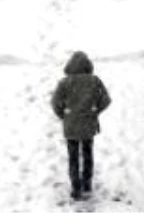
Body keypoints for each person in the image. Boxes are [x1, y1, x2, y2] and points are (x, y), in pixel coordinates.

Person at [51, 51, 111, 201]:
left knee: (73, 157)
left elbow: (54, 102)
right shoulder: (94, 81)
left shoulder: (65, 82)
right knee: (87, 154)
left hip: (71, 124)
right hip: (88, 124)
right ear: (87, 65)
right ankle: (87, 185)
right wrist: (95, 111)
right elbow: (106, 100)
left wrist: (63, 116)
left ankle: (75, 188)